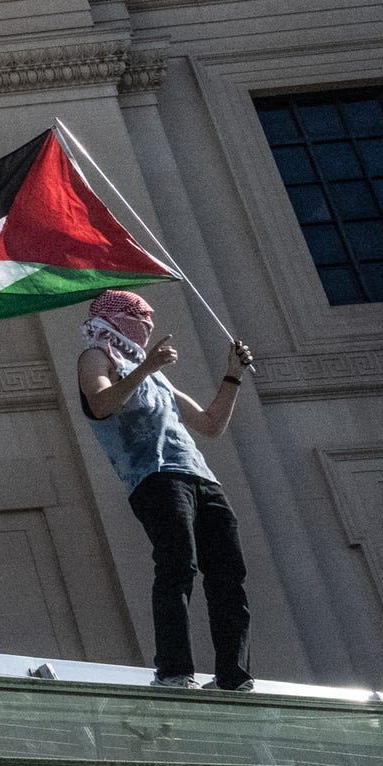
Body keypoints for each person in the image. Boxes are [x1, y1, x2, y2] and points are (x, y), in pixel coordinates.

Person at [75, 289, 260, 689]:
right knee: (178, 566)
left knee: (229, 574)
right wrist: (146, 368)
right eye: (141, 318)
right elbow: (101, 402)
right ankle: (175, 671)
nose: (148, 326)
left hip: (201, 477)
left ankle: (234, 675)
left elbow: (210, 424)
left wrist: (233, 375)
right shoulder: (97, 356)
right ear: (117, 317)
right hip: (155, 476)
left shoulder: (155, 375)